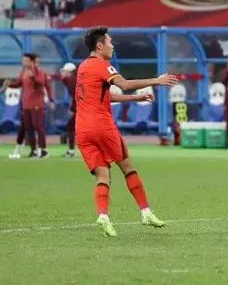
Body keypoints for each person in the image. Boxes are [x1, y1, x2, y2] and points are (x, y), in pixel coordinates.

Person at [76, 26, 178, 237]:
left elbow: (105, 96)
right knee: (128, 168)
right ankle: (145, 212)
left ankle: (103, 215)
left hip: (83, 130)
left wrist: (136, 98)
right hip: (102, 127)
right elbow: (123, 84)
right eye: (110, 42)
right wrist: (157, 81)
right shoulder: (102, 65)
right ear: (99, 45)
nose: (112, 46)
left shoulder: (83, 67)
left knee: (102, 175)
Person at [5, 53, 54, 159]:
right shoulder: (23, 71)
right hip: (26, 104)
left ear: (32, 61)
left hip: (37, 104)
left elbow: (41, 83)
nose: (24, 62)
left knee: (38, 126)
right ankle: (33, 150)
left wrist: (33, 78)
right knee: (29, 128)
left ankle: (43, 150)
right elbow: (19, 84)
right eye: (23, 60)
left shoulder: (38, 71)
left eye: (26, 60)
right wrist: (10, 84)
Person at [60, 62, 78, 158]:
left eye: (65, 71)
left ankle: (71, 151)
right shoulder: (73, 79)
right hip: (83, 107)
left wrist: (72, 109)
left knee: (70, 127)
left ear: (69, 72)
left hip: (81, 108)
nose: (63, 72)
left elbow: (76, 96)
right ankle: (71, 150)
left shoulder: (72, 80)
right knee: (71, 127)